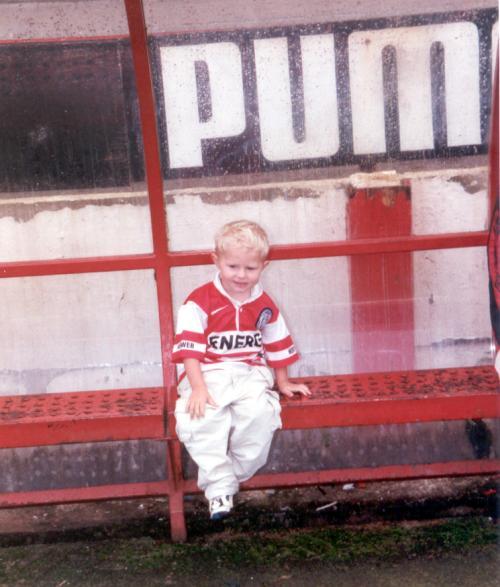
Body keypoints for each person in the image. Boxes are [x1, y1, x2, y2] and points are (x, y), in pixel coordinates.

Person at [172, 219, 310, 520]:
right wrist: (197, 388)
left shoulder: (264, 304)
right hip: (208, 373)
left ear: (264, 266)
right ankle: (219, 490)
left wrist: (282, 382)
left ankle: (226, 478)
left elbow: (276, 342)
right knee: (199, 419)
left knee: (261, 417)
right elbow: (189, 351)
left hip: (250, 373)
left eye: (250, 268)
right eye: (233, 266)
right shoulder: (199, 301)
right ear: (216, 261)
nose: (241, 275)